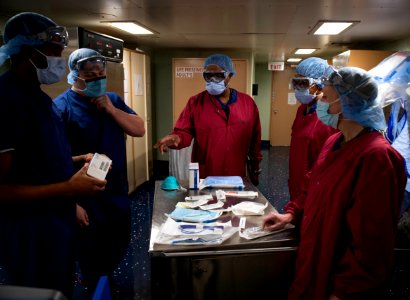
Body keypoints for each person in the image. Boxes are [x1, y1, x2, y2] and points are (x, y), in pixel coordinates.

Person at [262, 66, 407, 299]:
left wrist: (344, 292)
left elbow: (372, 245)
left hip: (339, 282)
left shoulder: (377, 159)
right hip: (314, 262)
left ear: (347, 103)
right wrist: (291, 214)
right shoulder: (334, 142)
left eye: (326, 97)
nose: (319, 100)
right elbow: (312, 185)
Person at [0, 12, 106, 298]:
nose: (60, 58)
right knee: (40, 292)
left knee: (60, 290)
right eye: (55, 51)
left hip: (56, 221)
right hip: (31, 233)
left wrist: (75, 160)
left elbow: (35, 160)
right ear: (26, 50)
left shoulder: (38, 99)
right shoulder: (7, 101)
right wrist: (68, 189)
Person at [53, 48, 145, 296]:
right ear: (75, 76)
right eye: (90, 74)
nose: (97, 78)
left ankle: (103, 279)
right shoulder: (61, 108)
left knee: (118, 242)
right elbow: (52, 160)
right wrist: (71, 202)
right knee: (91, 253)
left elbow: (139, 129)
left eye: (100, 73)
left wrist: (112, 110)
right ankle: (93, 284)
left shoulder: (112, 99)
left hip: (115, 191)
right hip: (84, 197)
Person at [154, 54, 262, 185]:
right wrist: (177, 138)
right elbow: (184, 132)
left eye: (218, 76)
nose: (212, 80)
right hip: (206, 174)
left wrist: (255, 168)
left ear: (229, 76)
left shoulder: (248, 104)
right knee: (206, 204)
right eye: (208, 76)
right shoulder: (196, 103)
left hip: (236, 174)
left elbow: (255, 141)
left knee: (235, 204)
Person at [288, 57, 338, 202]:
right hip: (296, 180)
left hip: (315, 188)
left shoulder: (329, 116)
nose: (297, 88)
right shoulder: (302, 109)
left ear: (320, 84)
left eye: (303, 83)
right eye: (295, 83)